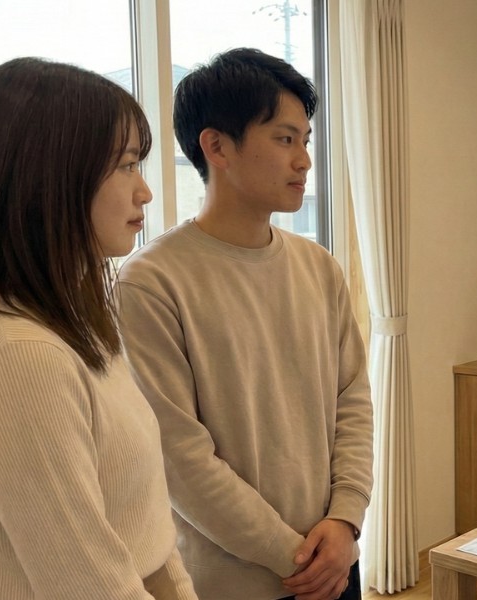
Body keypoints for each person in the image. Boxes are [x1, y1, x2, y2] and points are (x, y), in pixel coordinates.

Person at [0, 58, 196, 599]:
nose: (144, 191)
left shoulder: (69, 319)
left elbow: (145, 527)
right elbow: (88, 584)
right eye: (126, 165)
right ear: (49, 177)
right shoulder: (17, 359)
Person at [116, 47, 373, 600]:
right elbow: (179, 457)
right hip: (237, 583)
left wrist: (346, 519)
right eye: (285, 139)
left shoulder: (319, 267)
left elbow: (351, 399)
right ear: (216, 146)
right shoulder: (151, 282)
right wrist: (298, 558)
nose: (304, 161)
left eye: (306, 140)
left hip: (335, 561)